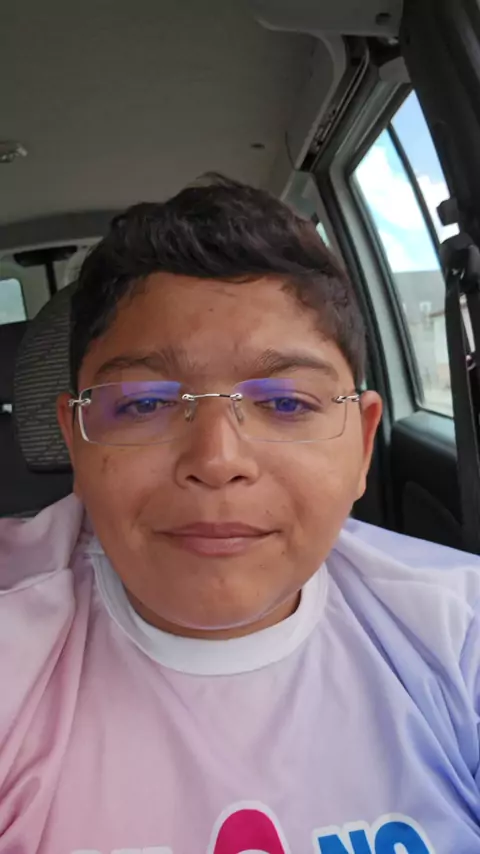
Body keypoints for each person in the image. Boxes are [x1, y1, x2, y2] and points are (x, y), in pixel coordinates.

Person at [1, 176, 480, 854]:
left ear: (362, 442)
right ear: (76, 442)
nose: (217, 459)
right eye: (143, 403)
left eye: (286, 403)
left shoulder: (459, 631)